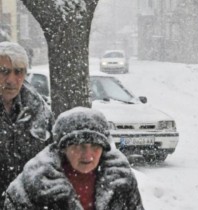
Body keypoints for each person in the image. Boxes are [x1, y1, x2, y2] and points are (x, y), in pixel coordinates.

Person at [4, 107, 145, 210]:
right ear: (63, 148)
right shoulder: (32, 185)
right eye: (79, 146)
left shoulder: (121, 180)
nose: (88, 155)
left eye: (96, 146)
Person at [0, 41, 54, 208]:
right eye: (3, 71)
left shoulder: (40, 112)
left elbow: (54, 161)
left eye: (19, 72)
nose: (11, 79)